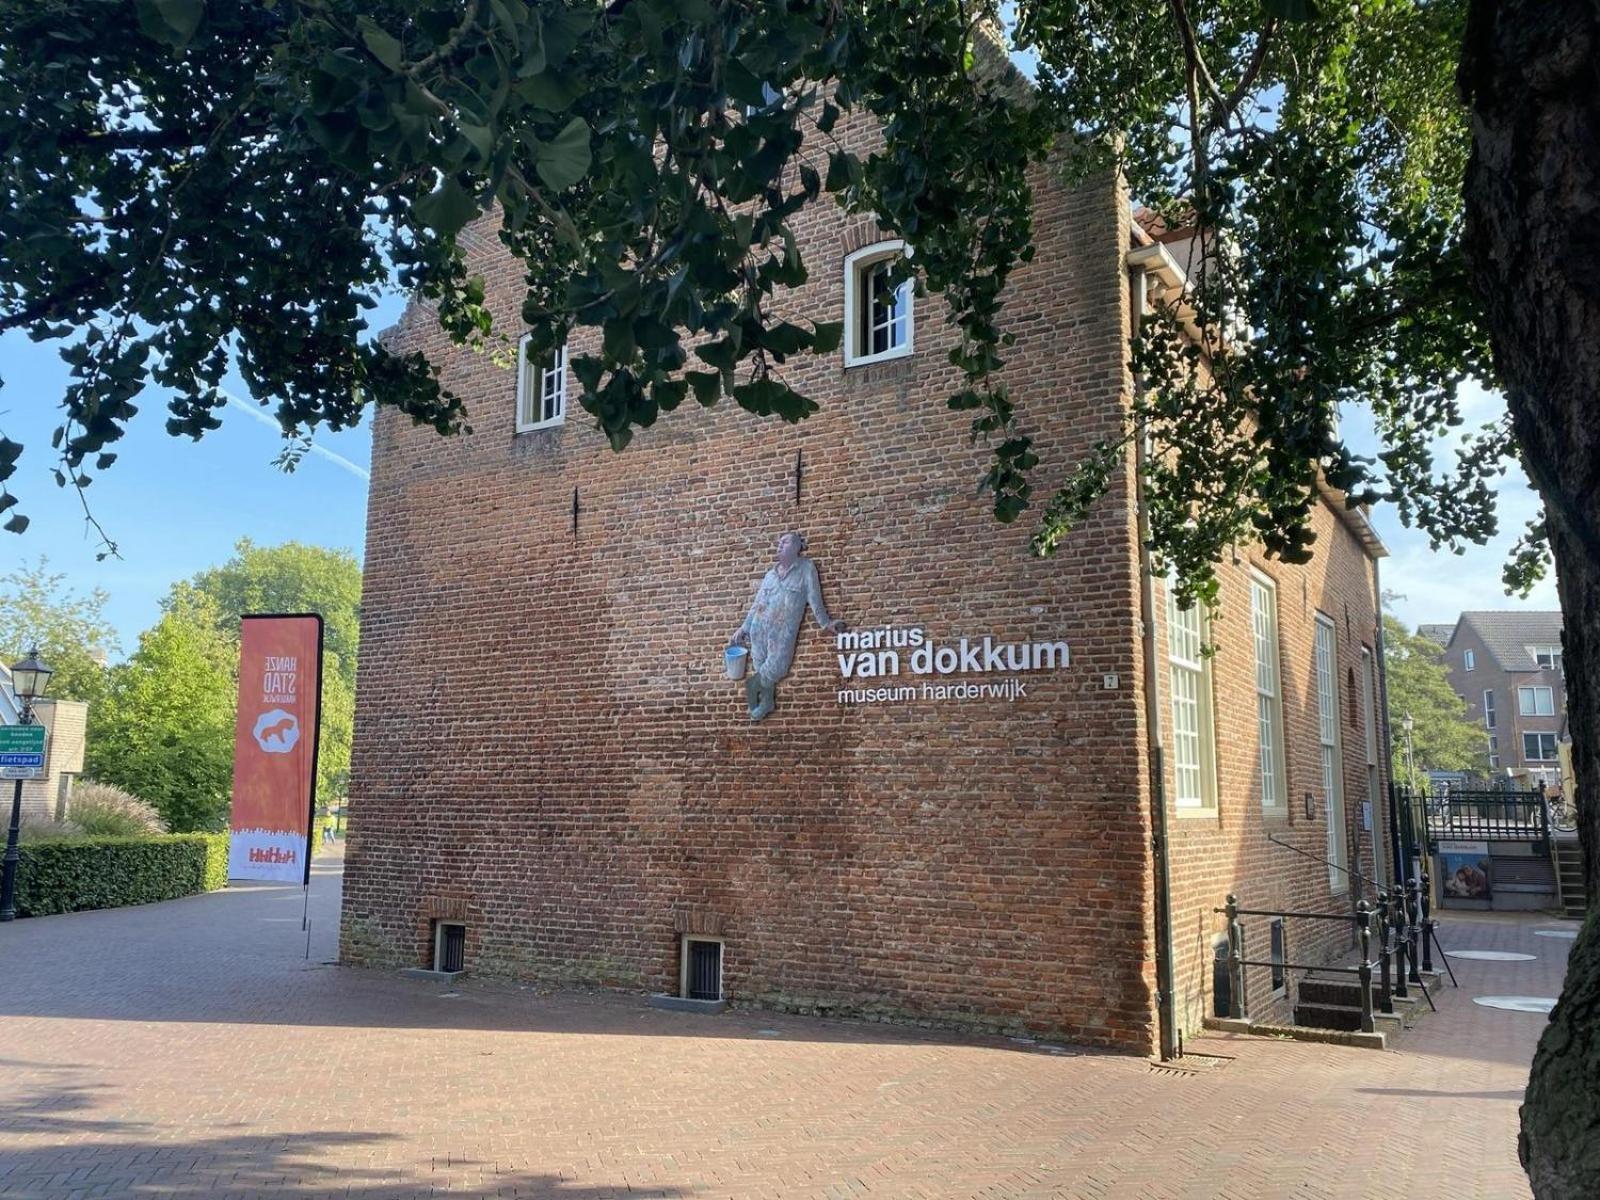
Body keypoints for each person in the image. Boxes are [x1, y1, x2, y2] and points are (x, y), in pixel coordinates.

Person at [730, 531, 846, 721]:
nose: (779, 545)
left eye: (784, 542)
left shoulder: (806, 569)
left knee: (776, 668)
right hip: (758, 630)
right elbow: (756, 604)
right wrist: (744, 628)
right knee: (760, 666)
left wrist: (825, 623)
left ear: (797, 546)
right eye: (779, 542)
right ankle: (767, 702)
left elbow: (814, 598)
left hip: (782, 634)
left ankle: (754, 689)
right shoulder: (770, 575)